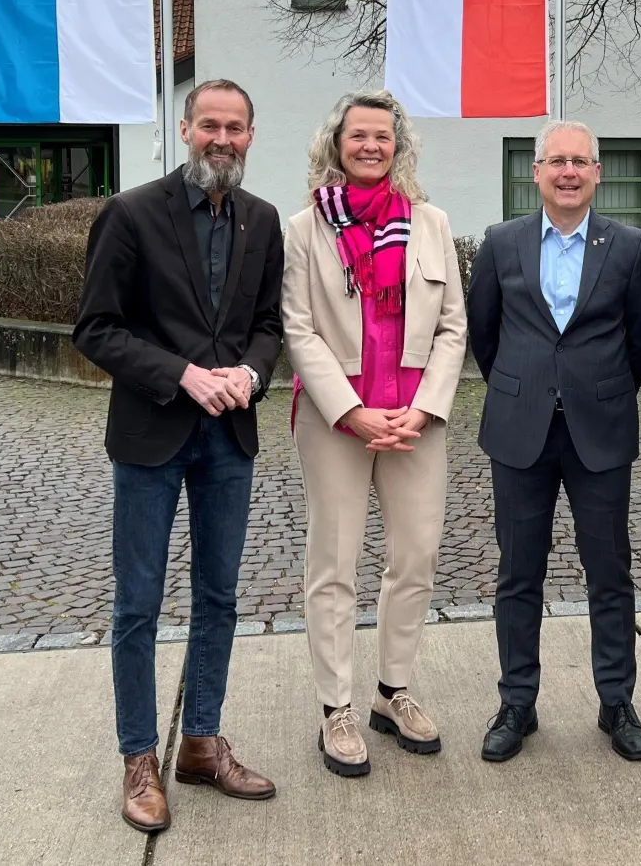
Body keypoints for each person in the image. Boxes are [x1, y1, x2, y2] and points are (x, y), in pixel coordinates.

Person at [74, 78, 281, 833]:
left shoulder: (261, 220)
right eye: (209, 126)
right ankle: (138, 758)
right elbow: (95, 328)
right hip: (152, 432)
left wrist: (251, 374)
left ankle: (199, 741)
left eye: (236, 128)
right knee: (138, 604)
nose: (222, 139)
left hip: (228, 435)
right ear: (185, 128)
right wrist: (184, 375)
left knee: (220, 597)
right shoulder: (130, 214)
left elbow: (267, 324)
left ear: (251, 136)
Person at [281, 90, 468, 778]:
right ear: (337, 144)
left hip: (415, 418)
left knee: (414, 556)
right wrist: (351, 409)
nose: (370, 146)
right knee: (334, 563)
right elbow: (297, 328)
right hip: (338, 420)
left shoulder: (431, 222)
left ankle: (393, 692)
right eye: (357, 135)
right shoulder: (305, 229)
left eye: (381, 137)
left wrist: (421, 407)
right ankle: (336, 707)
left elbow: (453, 325)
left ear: (398, 145)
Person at [466, 120, 641, 764]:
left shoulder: (629, 247)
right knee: (518, 573)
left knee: (609, 571)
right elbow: (484, 336)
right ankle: (517, 701)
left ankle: (616, 700)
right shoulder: (500, 244)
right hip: (519, 431)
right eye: (557, 161)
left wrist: (596, 389)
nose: (569, 171)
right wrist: (527, 387)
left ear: (597, 172)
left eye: (581, 161)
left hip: (598, 431)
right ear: (537, 172)